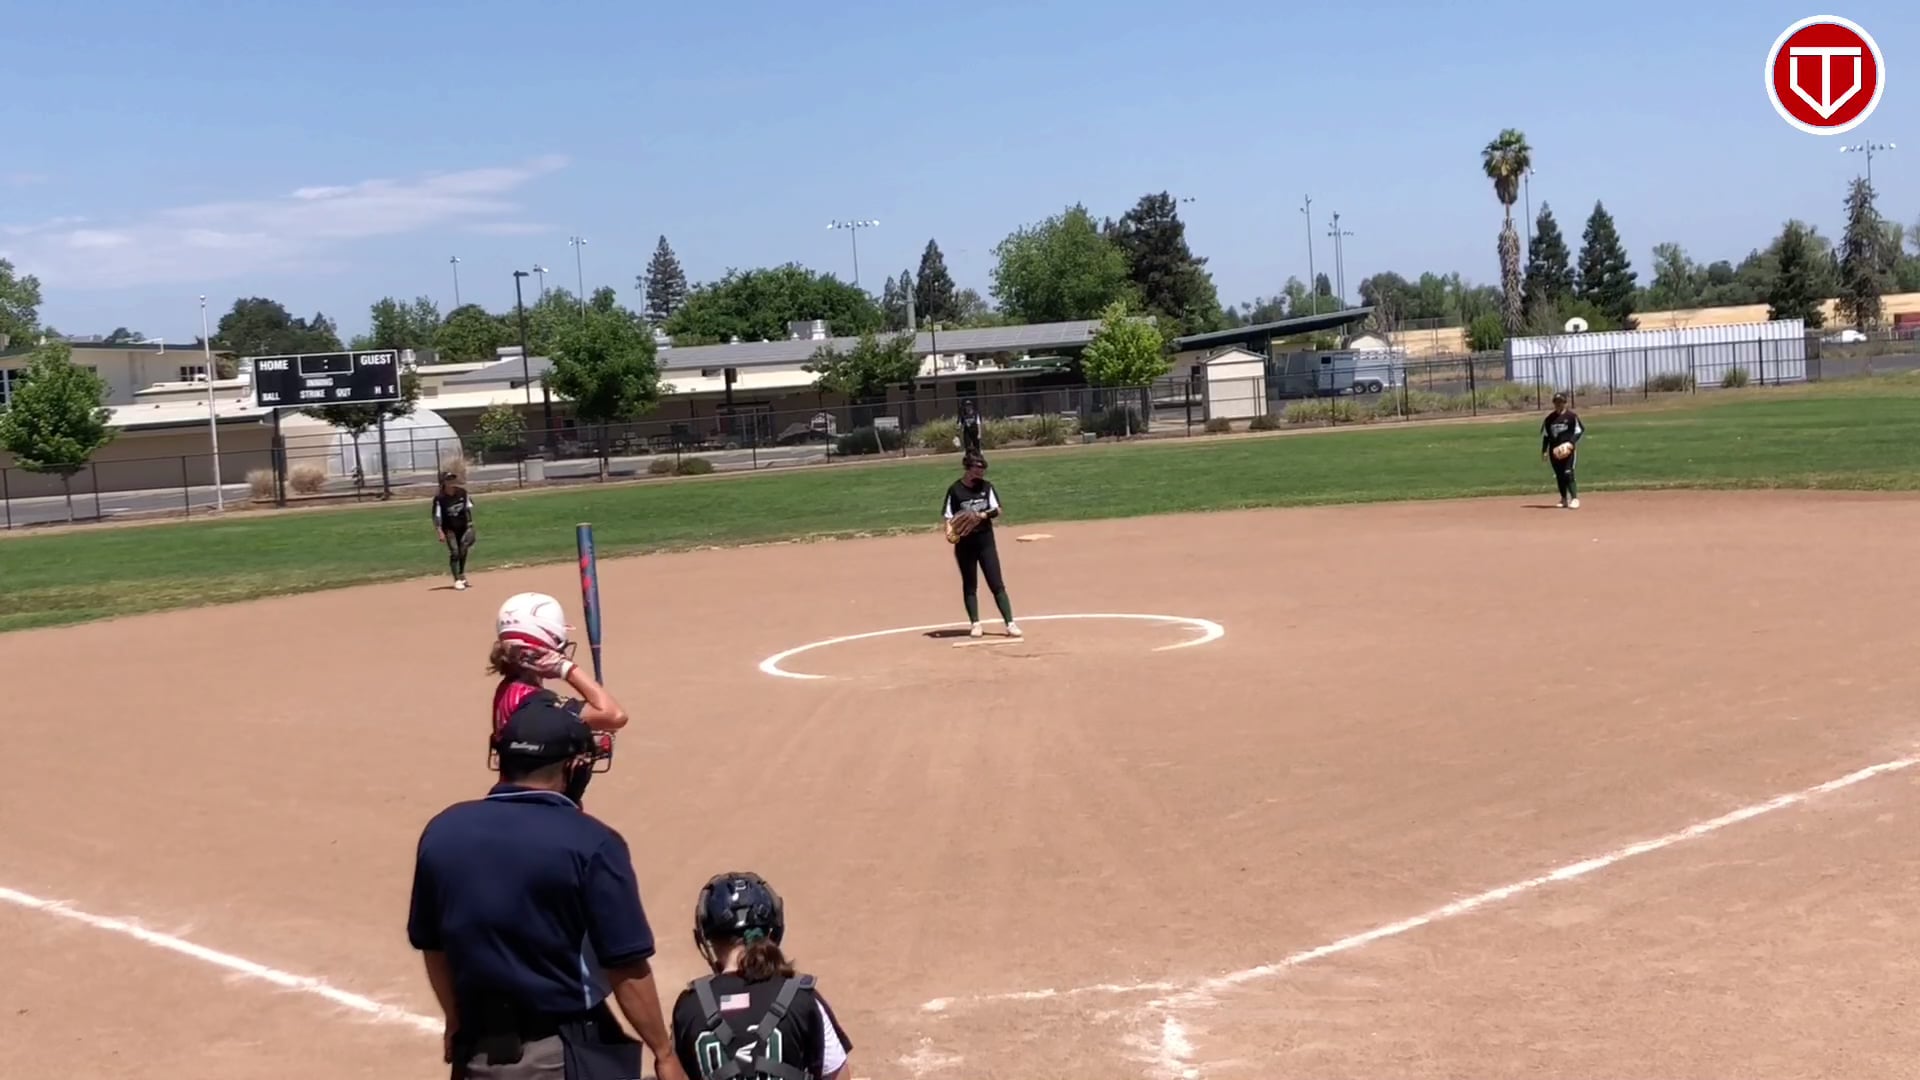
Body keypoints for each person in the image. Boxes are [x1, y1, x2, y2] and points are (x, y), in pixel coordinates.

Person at [407, 701, 688, 1080]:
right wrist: (663, 1052)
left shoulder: (442, 832)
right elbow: (626, 966)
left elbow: (434, 946)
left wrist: (455, 1020)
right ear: (573, 768)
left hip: (475, 1051)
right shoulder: (593, 843)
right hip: (559, 1054)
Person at [671, 871, 853, 1080]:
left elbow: (671, 1071)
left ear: (707, 938)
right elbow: (839, 1076)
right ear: (772, 930)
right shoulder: (802, 998)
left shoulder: (689, 1007)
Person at [490, 592, 629, 805]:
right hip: (542, 807)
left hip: (515, 800)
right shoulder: (536, 703)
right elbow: (614, 716)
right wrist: (566, 668)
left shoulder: (508, 691)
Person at [942, 451, 1019, 639]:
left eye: (982, 470)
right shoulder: (955, 490)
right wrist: (949, 532)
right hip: (965, 545)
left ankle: (1010, 623)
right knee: (970, 584)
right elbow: (948, 516)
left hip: (985, 542)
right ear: (968, 469)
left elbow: (997, 509)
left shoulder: (986, 487)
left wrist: (982, 515)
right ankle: (975, 624)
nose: (981, 473)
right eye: (977, 470)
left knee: (996, 583)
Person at [1540, 393, 1585, 509]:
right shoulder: (1549, 419)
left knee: (1568, 473)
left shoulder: (1571, 417)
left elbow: (1579, 430)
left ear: (1565, 403)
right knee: (1559, 475)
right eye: (1556, 402)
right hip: (1555, 451)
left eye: (1560, 402)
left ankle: (1574, 498)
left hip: (1568, 450)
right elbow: (1546, 436)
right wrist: (1544, 451)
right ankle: (1564, 498)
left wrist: (1571, 443)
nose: (1558, 404)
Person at [434, 472, 477, 590]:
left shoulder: (462, 493)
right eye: (448, 480)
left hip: (463, 527)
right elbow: (437, 516)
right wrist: (439, 531)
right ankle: (457, 579)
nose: (451, 482)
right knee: (455, 552)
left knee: (463, 550)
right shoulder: (440, 498)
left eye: (453, 479)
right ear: (444, 482)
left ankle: (461, 574)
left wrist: (470, 525)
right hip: (449, 529)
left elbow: (468, 509)